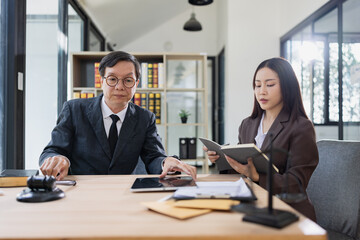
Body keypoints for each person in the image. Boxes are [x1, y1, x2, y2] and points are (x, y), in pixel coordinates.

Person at [40, 51, 196, 181]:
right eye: (112, 79)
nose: (120, 87)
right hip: (82, 190)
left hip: (124, 190)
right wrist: (59, 159)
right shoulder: (74, 110)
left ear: (136, 84)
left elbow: (153, 156)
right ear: (101, 81)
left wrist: (165, 162)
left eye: (128, 80)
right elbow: (52, 150)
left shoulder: (145, 118)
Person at [205, 57, 318, 221]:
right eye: (257, 85)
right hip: (254, 206)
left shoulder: (301, 127)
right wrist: (221, 158)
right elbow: (243, 169)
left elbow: (297, 183)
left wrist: (257, 177)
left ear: (287, 87)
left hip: (288, 213)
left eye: (270, 85)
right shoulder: (248, 124)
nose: (261, 91)